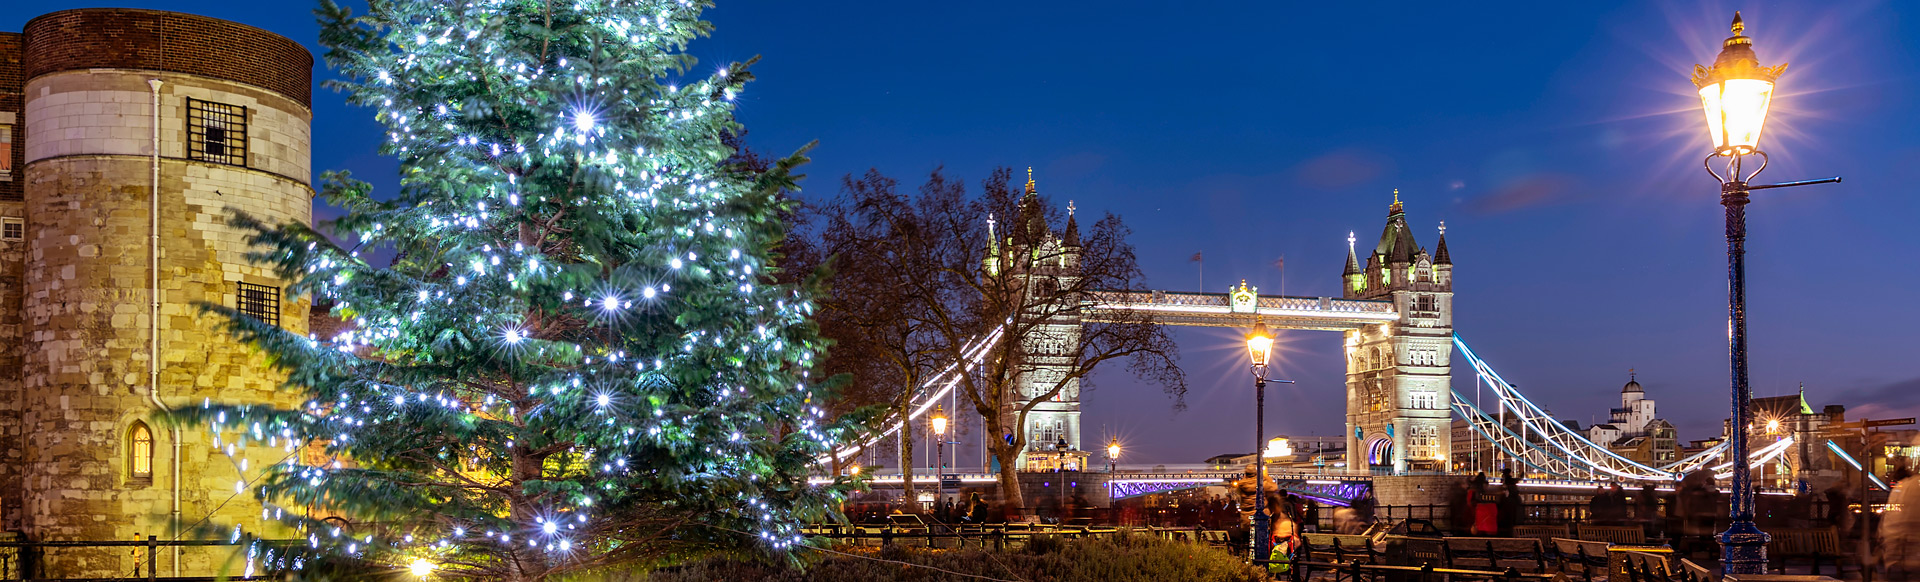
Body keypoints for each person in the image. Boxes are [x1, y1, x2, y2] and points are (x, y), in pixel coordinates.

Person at [1498, 468, 1523, 536]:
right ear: (1509, 473)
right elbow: (1516, 480)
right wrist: (1521, 475)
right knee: (1514, 517)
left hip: (1508, 503)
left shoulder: (1504, 480)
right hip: (1512, 502)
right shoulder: (1510, 480)